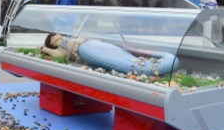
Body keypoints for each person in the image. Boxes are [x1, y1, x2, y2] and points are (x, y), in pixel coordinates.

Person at [40, 33, 179, 76]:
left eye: (57, 36)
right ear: (53, 43)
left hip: (93, 45)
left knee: (124, 56)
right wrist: (44, 49)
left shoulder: (70, 38)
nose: (58, 38)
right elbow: (59, 55)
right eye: (55, 39)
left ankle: (149, 63)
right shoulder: (63, 46)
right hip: (86, 50)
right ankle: (149, 67)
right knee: (124, 63)